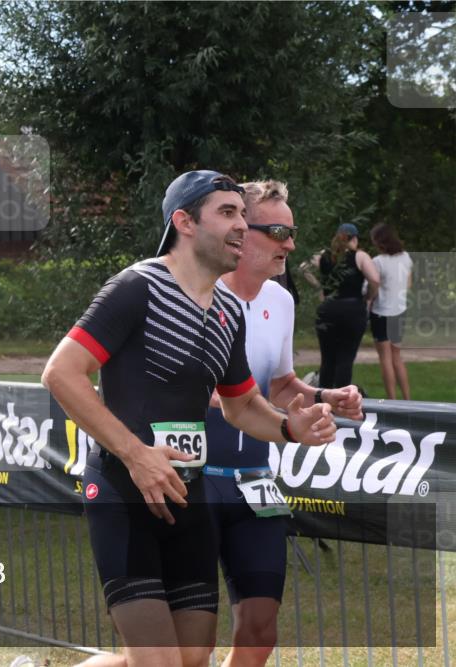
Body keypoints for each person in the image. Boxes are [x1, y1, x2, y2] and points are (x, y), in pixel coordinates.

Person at [42, 170, 336, 667]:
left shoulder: (227, 311)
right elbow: (61, 373)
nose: (242, 225)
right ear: (184, 221)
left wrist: (289, 427)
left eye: (243, 214)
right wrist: (137, 456)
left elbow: (242, 406)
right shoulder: (137, 287)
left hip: (189, 499)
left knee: (191, 660)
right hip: (124, 492)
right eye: (227, 213)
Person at [203, 181, 363, 667]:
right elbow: (176, 388)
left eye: (291, 233)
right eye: (277, 231)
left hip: (254, 482)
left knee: (260, 631)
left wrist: (324, 396)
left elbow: (279, 382)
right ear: (238, 232)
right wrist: (259, 409)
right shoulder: (194, 294)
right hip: (192, 479)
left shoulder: (281, 300)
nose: (290, 245)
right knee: (180, 649)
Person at [302, 223, 379, 388]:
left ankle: (324, 400)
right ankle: (341, 401)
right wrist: (369, 296)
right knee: (346, 357)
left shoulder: (324, 255)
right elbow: (374, 279)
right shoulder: (360, 256)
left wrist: (319, 286)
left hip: (328, 309)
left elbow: (303, 268)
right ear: (355, 238)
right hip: (352, 310)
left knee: (328, 359)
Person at [369, 223, 413, 400]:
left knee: (385, 358)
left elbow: (374, 287)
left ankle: (392, 401)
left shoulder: (378, 262)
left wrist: (368, 299)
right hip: (400, 311)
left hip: (381, 312)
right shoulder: (406, 257)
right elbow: (408, 284)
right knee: (397, 357)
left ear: (380, 242)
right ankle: (407, 400)